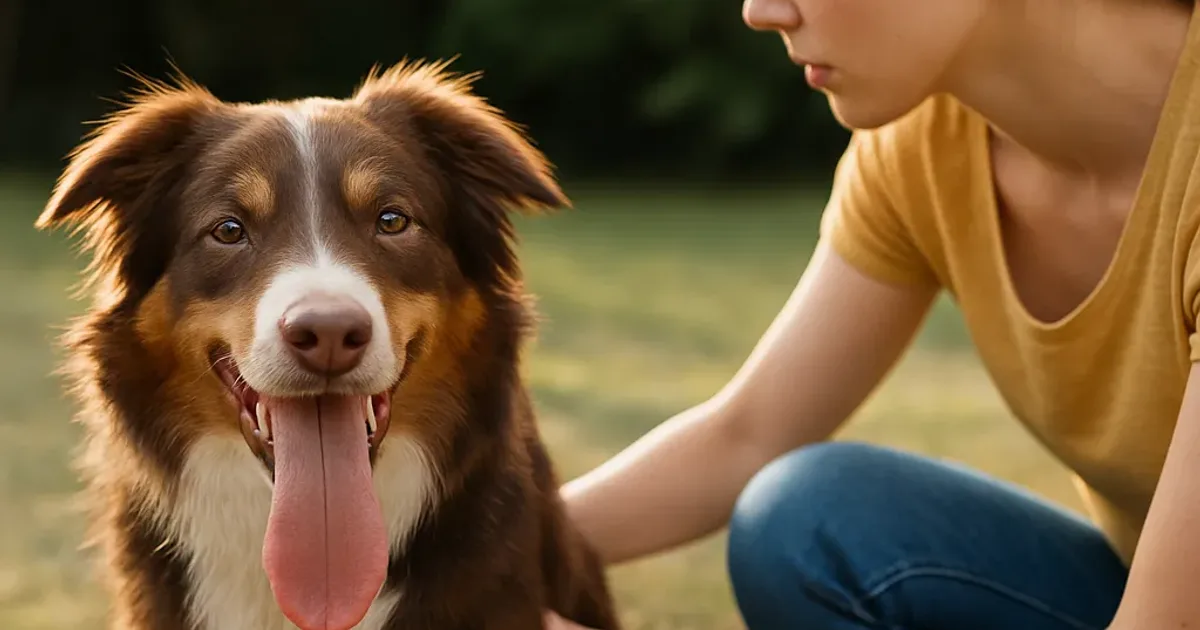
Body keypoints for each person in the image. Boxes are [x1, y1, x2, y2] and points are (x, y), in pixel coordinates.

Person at [544, 0, 1200, 628]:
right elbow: (748, 434)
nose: (760, 10)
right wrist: (478, 560)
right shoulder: (925, 144)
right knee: (810, 521)